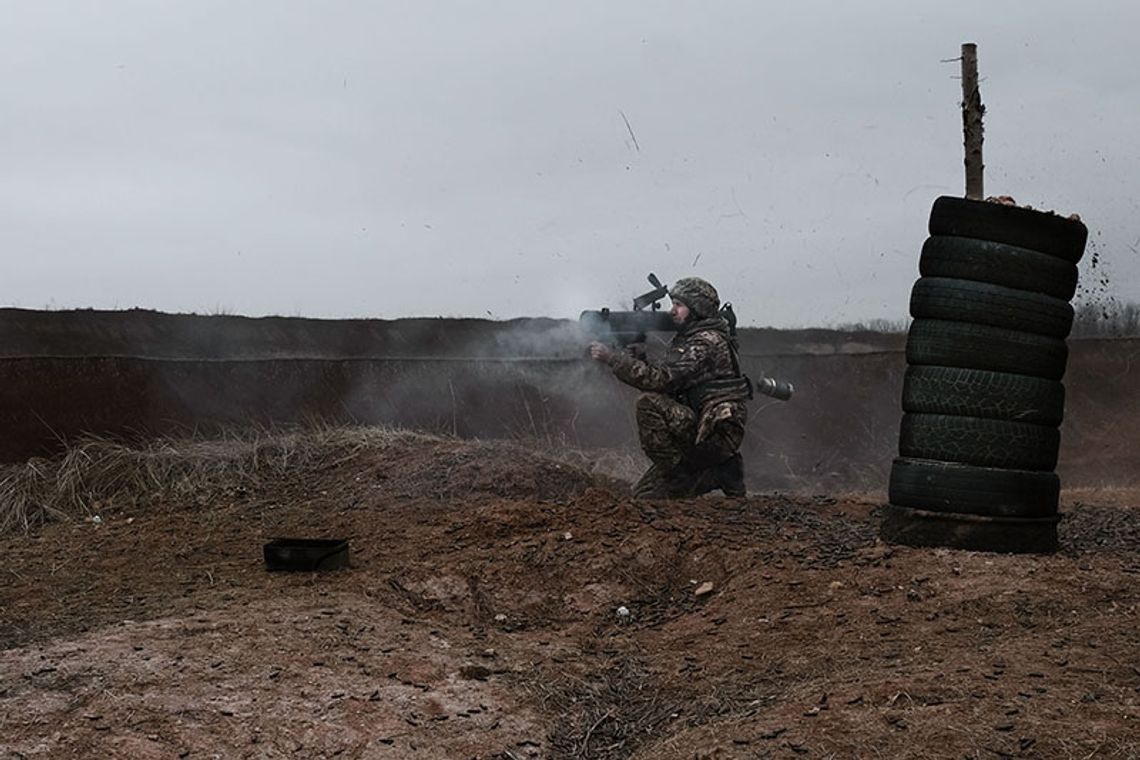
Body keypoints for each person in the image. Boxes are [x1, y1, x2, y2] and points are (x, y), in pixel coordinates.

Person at [589, 277, 750, 498]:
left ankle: (690, 476)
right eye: (672, 303)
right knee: (644, 497)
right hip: (701, 425)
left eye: (679, 305)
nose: (672, 311)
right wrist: (639, 359)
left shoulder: (706, 342)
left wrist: (614, 359)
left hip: (714, 433)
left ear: (697, 308)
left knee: (648, 404)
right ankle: (721, 469)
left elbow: (662, 380)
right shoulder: (691, 338)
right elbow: (673, 381)